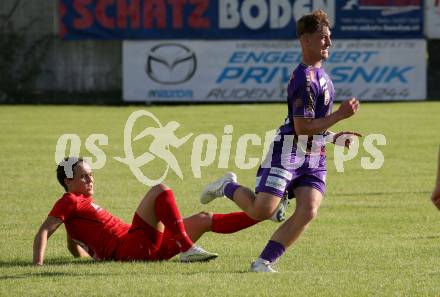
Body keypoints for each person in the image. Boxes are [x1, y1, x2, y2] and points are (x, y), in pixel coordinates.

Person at [200, 10, 361, 272]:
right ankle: (227, 186)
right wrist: (341, 117)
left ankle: (263, 262)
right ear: (305, 40)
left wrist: (333, 138)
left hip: (313, 156)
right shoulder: (304, 80)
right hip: (287, 153)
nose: (329, 43)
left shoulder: (324, 79)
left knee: (309, 210)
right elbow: (302, 128)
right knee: (261, 211)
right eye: (323, 38)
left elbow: (315, 126)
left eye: (330, 37)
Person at [33, 157, 262, 266]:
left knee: (204, 219)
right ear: (68, 181)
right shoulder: (69, 201)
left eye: (91, 174)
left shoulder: (77, 207)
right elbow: (44, 232)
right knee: (159, 189)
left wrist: (93, 258)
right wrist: (38, 266)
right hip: (131, 247)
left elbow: (73, 244)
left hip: (143, 248)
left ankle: (262, 214)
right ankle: (188, 248)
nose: (90, 179)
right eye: (84, 176)